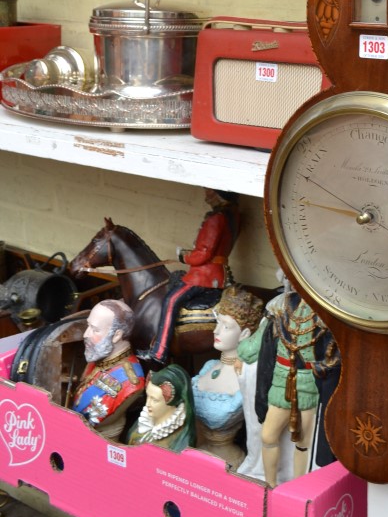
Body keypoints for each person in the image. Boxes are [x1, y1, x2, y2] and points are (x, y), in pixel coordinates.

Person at [255, 278, 337, 488]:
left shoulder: (326, 312)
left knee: (304, 443)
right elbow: (266, 347)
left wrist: (323, 367)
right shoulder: (281, 306)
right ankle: (270, 484)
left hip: (309, 381)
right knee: (268, 435)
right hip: (281, 377)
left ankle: (297, 487)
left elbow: (334, 353)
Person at [146, 188, 240, 364]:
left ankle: (159, 353)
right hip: (221, 274)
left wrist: (183, 255)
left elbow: (203, 254)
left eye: (210, 192)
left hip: (204, 275)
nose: (206, 196)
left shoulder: (215, 218)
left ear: (219, 193)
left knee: (171, 300)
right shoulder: (234, 217)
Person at [192, 285, 262, 467]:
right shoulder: (209, 366)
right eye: (218, 323)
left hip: (228, 462)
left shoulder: (246, 378)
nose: (216, 331)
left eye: (226, 327)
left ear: (245, 334)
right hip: (197, 454)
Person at [72, 299, 145, 441]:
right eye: (88, 326)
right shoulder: (98, 356)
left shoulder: (130, 382)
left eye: (95, 329)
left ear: (117, 335)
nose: (85, 334)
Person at [127, 364, 196, 452]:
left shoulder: (180, 440)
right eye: (148, 396)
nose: (147, 404)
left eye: (155, 400)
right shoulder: (142, 423)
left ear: (172, 402)